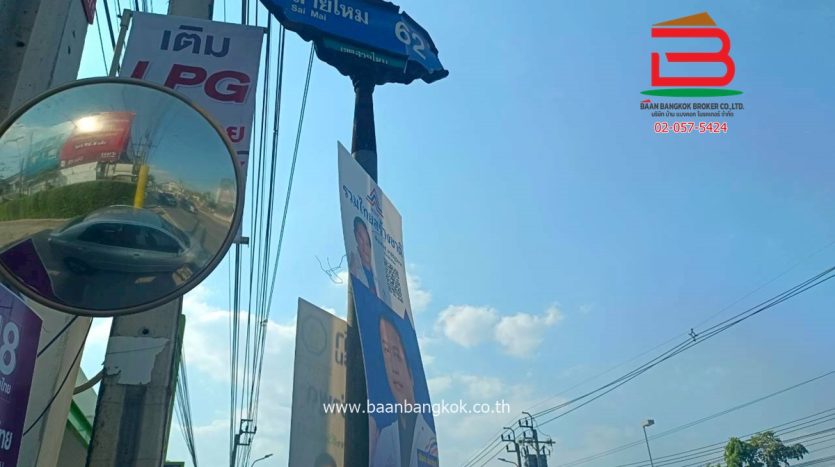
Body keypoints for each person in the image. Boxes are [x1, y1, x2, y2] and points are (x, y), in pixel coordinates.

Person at [369, 312, 438, 467]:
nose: (393, 368)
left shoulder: (429, 443)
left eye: (396, 354)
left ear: (411, 374)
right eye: (386, 352)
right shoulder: (384, 438)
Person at [348, 216, 379, 297]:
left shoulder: (378, 274)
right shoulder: (354, 268)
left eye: (367, 244)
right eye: (361, 241)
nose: (365, 248)